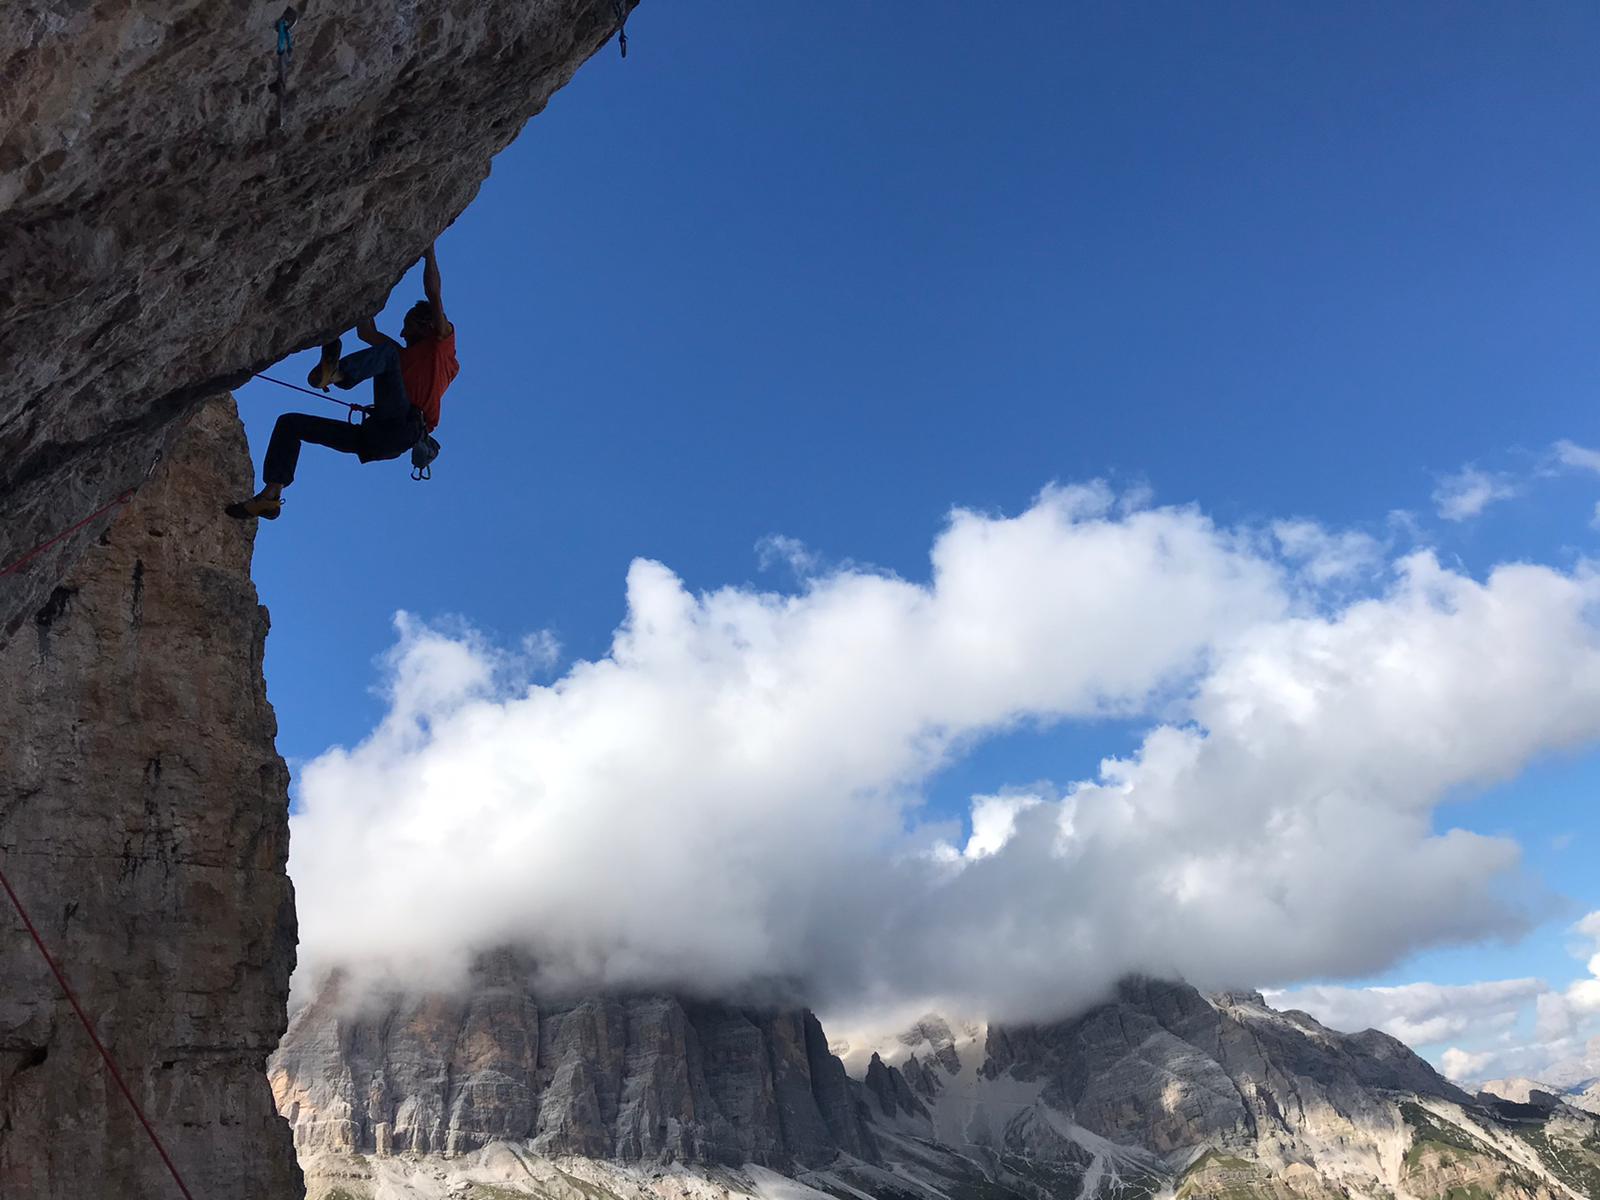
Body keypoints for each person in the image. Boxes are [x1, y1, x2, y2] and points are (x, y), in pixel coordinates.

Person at [228, 245, 459, 520]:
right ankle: (271, 495)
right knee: (290, 424)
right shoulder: (401, 355)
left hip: (403, 426)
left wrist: (429, 251)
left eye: (407, 325)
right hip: (377, 438)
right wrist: (364, 288)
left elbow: (433, 293)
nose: (401, 331)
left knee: (385, 355)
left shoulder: (441, 345)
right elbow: (367, 332)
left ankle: (337, 374)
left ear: (426, 325)